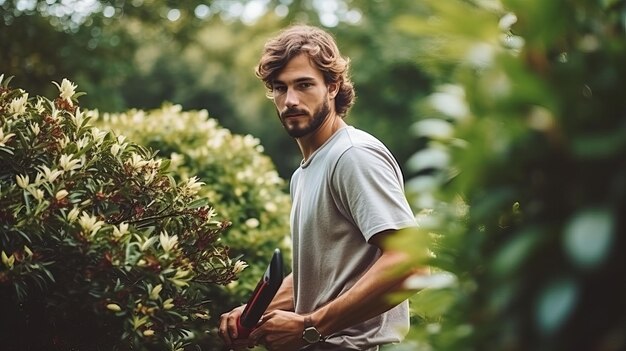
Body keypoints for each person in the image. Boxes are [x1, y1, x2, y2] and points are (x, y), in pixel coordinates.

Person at [219, 24, 426, 351]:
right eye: (279, 87)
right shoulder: (305, 172)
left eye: (304, 85)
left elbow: (410, 262)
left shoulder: (352, 155)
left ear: (333, 86)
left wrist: (310, 326)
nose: (290, 100)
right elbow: (321, 278)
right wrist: (255, 314)